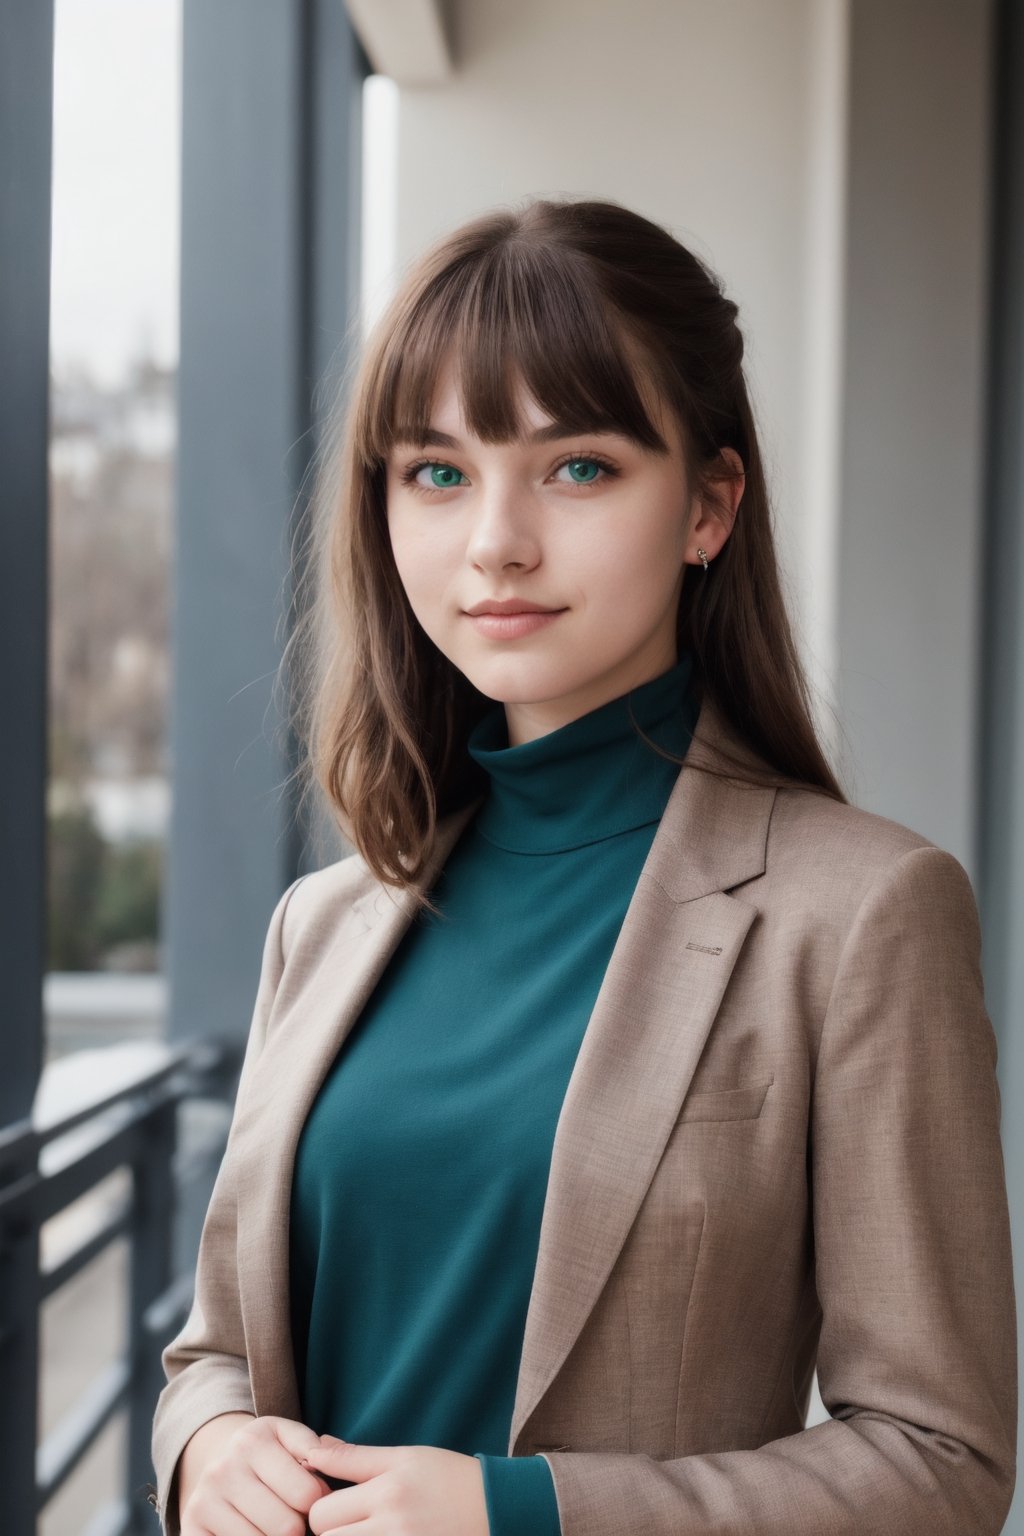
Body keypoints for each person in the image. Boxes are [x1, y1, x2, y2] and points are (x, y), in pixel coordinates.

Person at [149, 196, 1017, 1536]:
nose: (495, 539)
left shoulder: (860, 916)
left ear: (708, 507)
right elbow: (214, 1352)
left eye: (579, 468)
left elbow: (940, 1458)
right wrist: (208, 1450)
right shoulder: (320, 926)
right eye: (435, 472)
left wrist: (526, 1514)